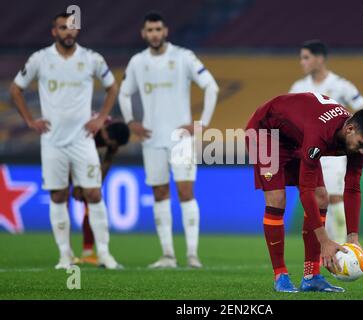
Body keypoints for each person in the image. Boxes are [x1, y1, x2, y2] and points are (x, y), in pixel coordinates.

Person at [10, 12, 121, 269]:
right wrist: (30, 120)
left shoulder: (91, 58)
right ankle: (65, 255)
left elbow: (112, 87)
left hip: (83, 139)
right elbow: (16, 89)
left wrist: (101, 117)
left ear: (77, 31)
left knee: (94, 193)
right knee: (58, 196)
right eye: (63, 28)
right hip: (52, 141)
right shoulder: (40, 59)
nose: (68, 32)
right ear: (54, 32)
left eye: (72, 28)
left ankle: (104, 254)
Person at [245, 92, 363, 292]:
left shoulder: (357, 144)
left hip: (296, 137)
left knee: (321, 197)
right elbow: (305, 190)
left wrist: (353, 236)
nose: (362, 151)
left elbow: (352, 187)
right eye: (361, 144)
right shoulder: (320, 132)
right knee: (277, 198)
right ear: (350, 128)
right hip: (266, 131)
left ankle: (312, 276)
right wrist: (324, 240)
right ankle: (280, 275)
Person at [118, 12, 219, 268]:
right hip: (152, 138)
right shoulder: (137, 62)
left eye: (158, 29)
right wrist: (131, 121)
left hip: (180, 138)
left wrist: (201, 123)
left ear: (166, 31)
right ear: (143, 34)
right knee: (160, 192)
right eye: (149, 30)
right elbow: (123, 93)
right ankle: (167, 255)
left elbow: (211, 86)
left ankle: (193, 254)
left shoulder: (183, 57)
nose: (154, 34)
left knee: (186, 192)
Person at [289, 40, 363, 244]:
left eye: (306, 57)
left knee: (334, 197)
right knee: (317, 200)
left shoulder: (341, 85)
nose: (302, 62)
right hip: (310, 151)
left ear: (319, 58)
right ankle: (325, 250)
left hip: (333, 152)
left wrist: (355, 136)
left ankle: (343, 249)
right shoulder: (299, 87)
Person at [72, 120, 130, 265]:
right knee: (61, 196)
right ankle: (65, 252)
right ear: (104, 132)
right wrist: (77, 184)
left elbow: (107, 161)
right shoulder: (89, 129)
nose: (111, 146)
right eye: (111, 143)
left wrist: (95, 186)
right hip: (67, 152)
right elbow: (71, 154)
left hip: (86, 159)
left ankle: (88, 251)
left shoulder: (112, 137)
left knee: (91, 202)